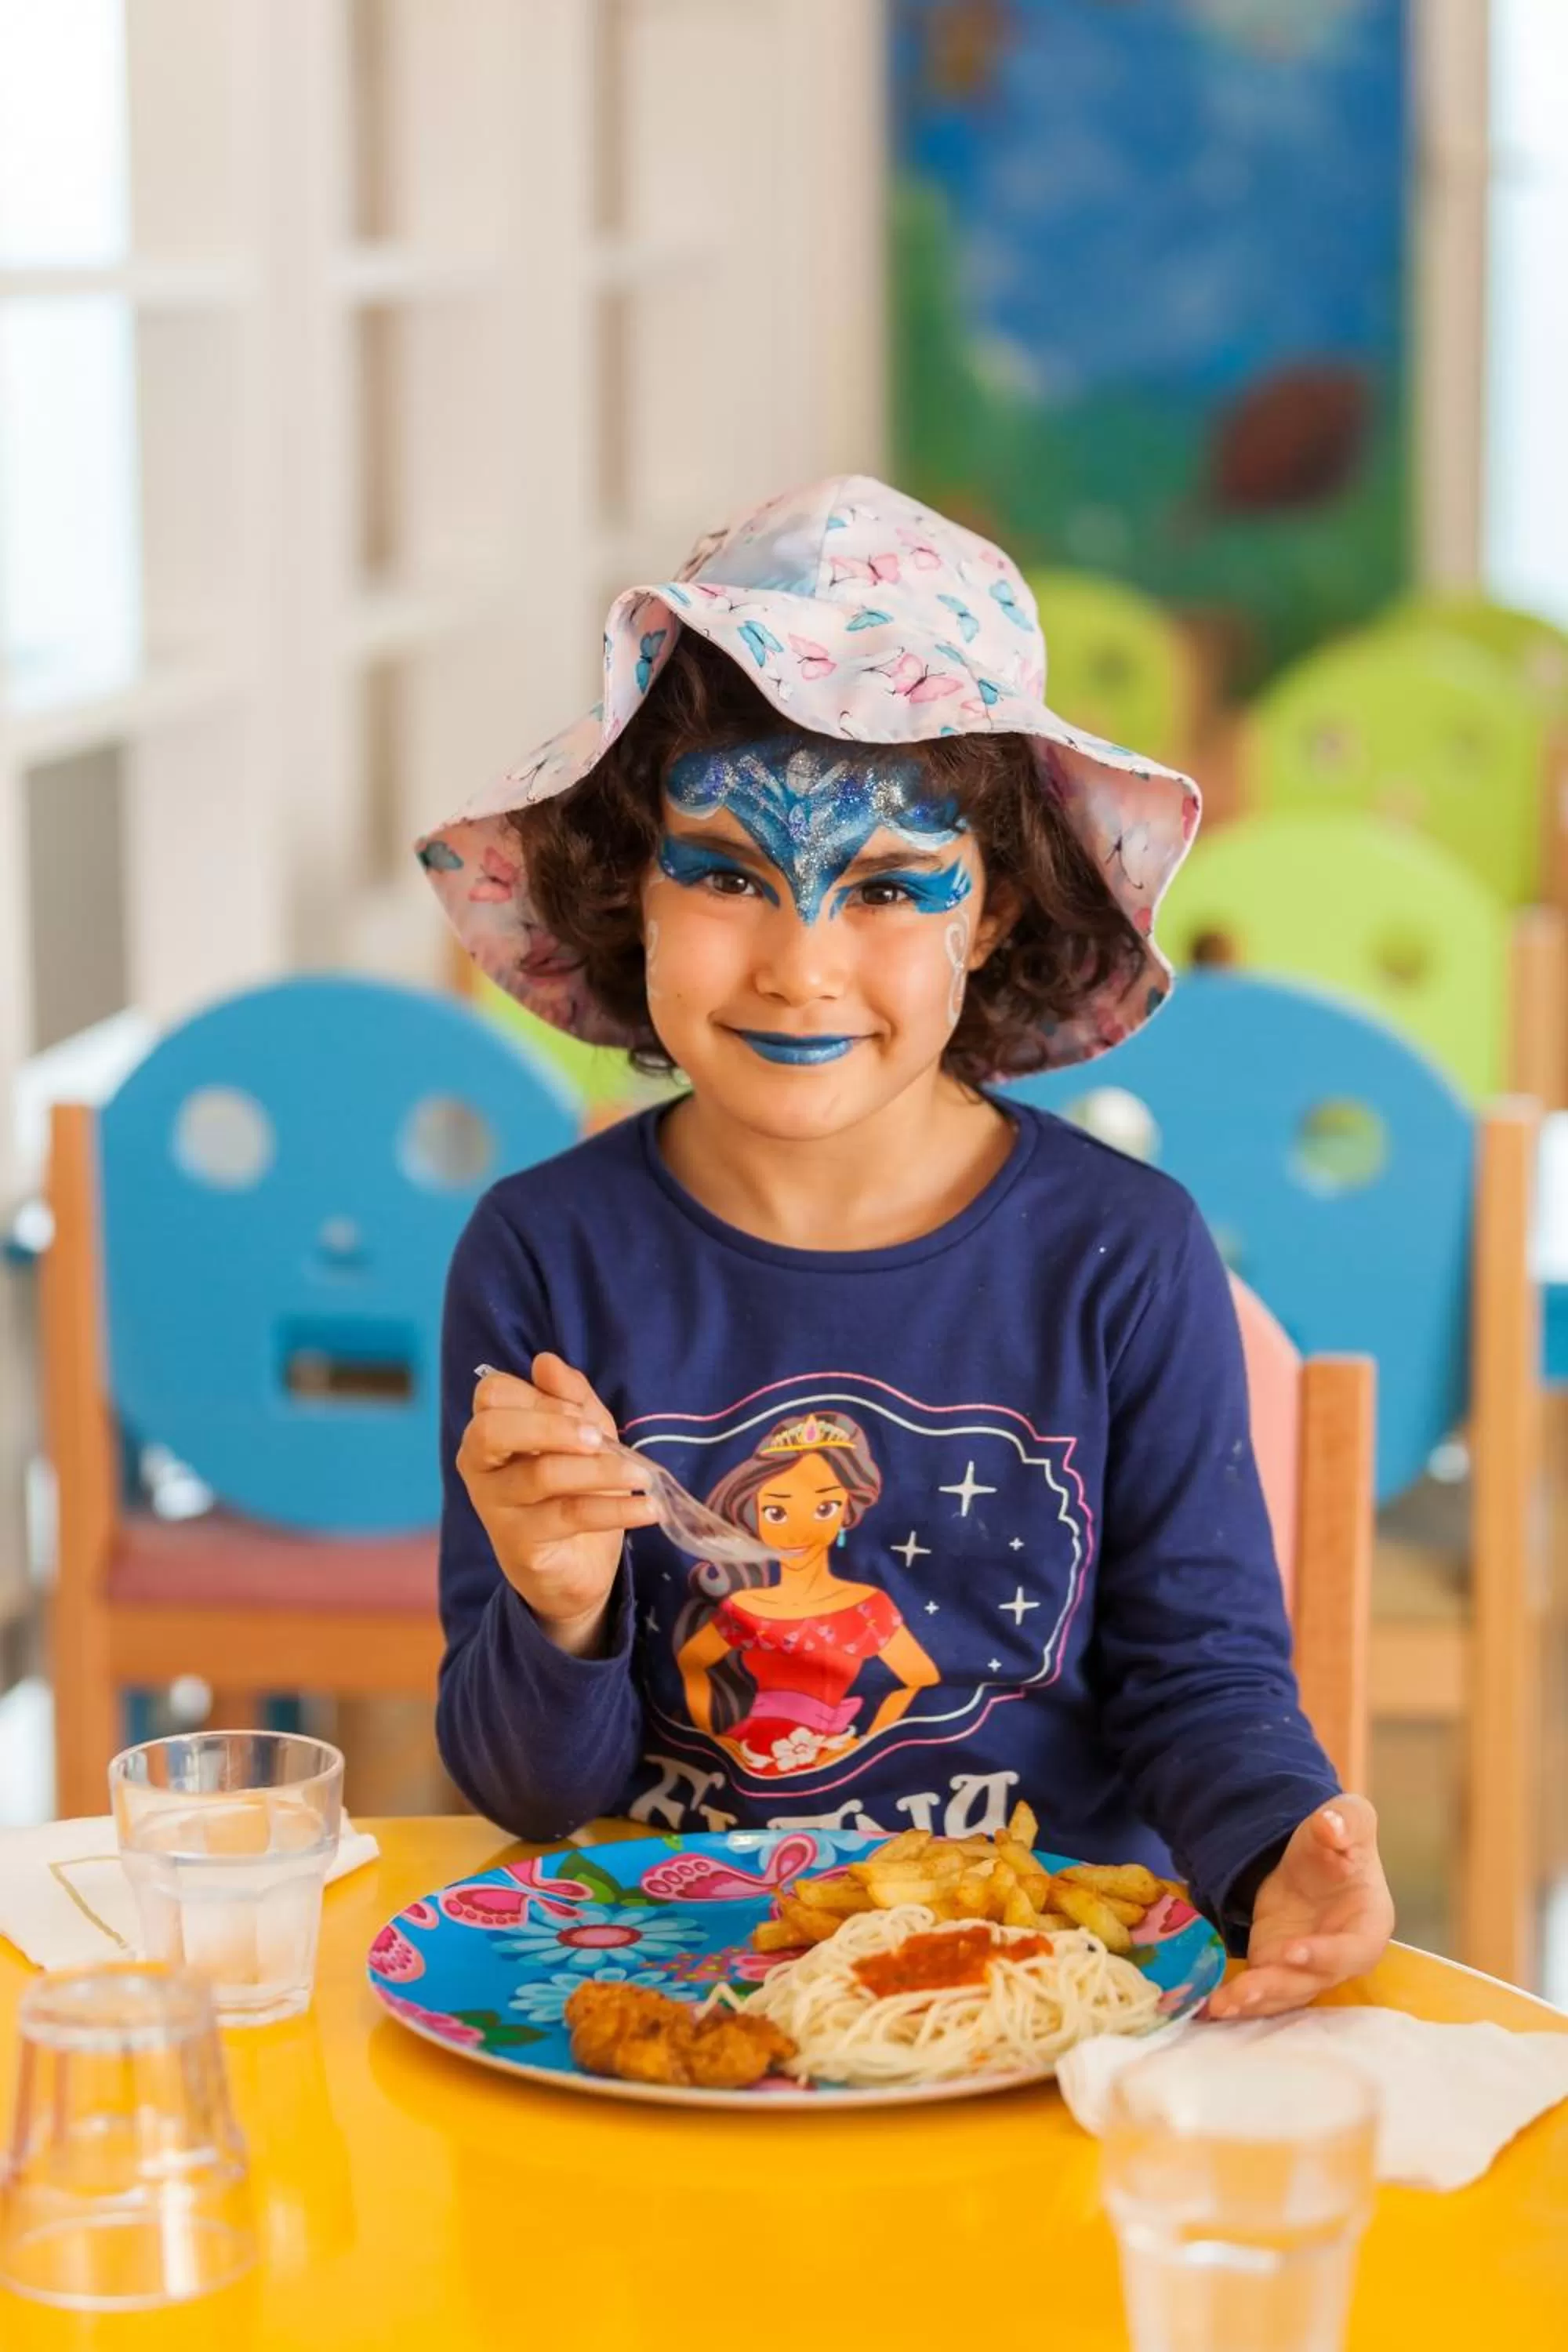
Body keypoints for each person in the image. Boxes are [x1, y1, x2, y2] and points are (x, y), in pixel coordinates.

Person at [420, 474, 1393, 2019]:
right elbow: (530, 1803)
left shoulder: (1123, 1257)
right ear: (631, 881)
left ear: (993, 911)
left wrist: (1281, 1853)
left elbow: (1197, 1685)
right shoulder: (543, 1256)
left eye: (887, 887)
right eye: (727, 872)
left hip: (1032, 1995)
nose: (799, 965)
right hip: (673, 2006)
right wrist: (558, 1607)